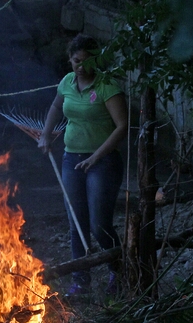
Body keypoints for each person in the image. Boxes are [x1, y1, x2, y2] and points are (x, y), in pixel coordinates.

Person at [38, 34, 128, 295]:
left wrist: (96, 156)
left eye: (88, 61)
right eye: (77, 60)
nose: (81, 66)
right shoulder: (67, 82)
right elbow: (56, 106)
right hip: (71, 159)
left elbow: (122, 126)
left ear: (96, 61)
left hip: (103, 162)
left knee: (99, 223)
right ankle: (81, 280)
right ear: (70, 59)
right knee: (76, 221)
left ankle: (118, 270)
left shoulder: (107, 85)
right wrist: (46, 134)